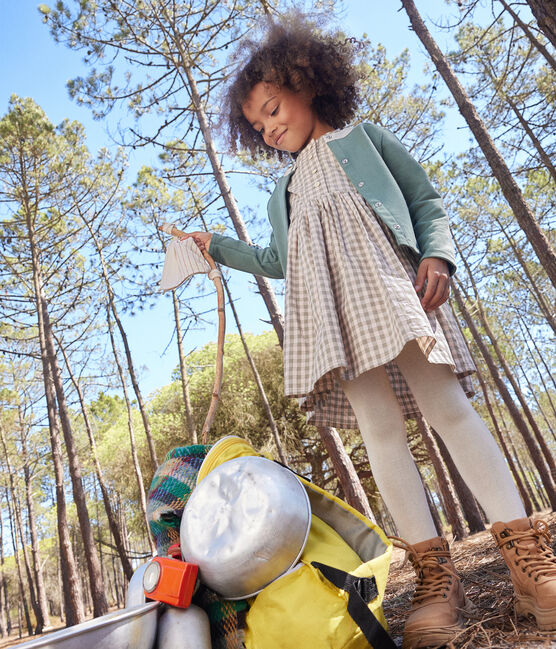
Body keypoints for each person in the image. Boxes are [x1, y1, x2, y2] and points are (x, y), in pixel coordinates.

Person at [180, 17, 556, 648]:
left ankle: (530, 564)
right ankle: (436, 578)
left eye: (273, 108)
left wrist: (436, 255)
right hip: (332, 313)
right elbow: (278, 261)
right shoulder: (284, 190)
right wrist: (215, 246)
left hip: (393, 287)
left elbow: (426, 200)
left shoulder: (365, 138)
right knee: (380, 432)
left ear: (308, 83)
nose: (269, 127)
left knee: (449, 409)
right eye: (258, 125)